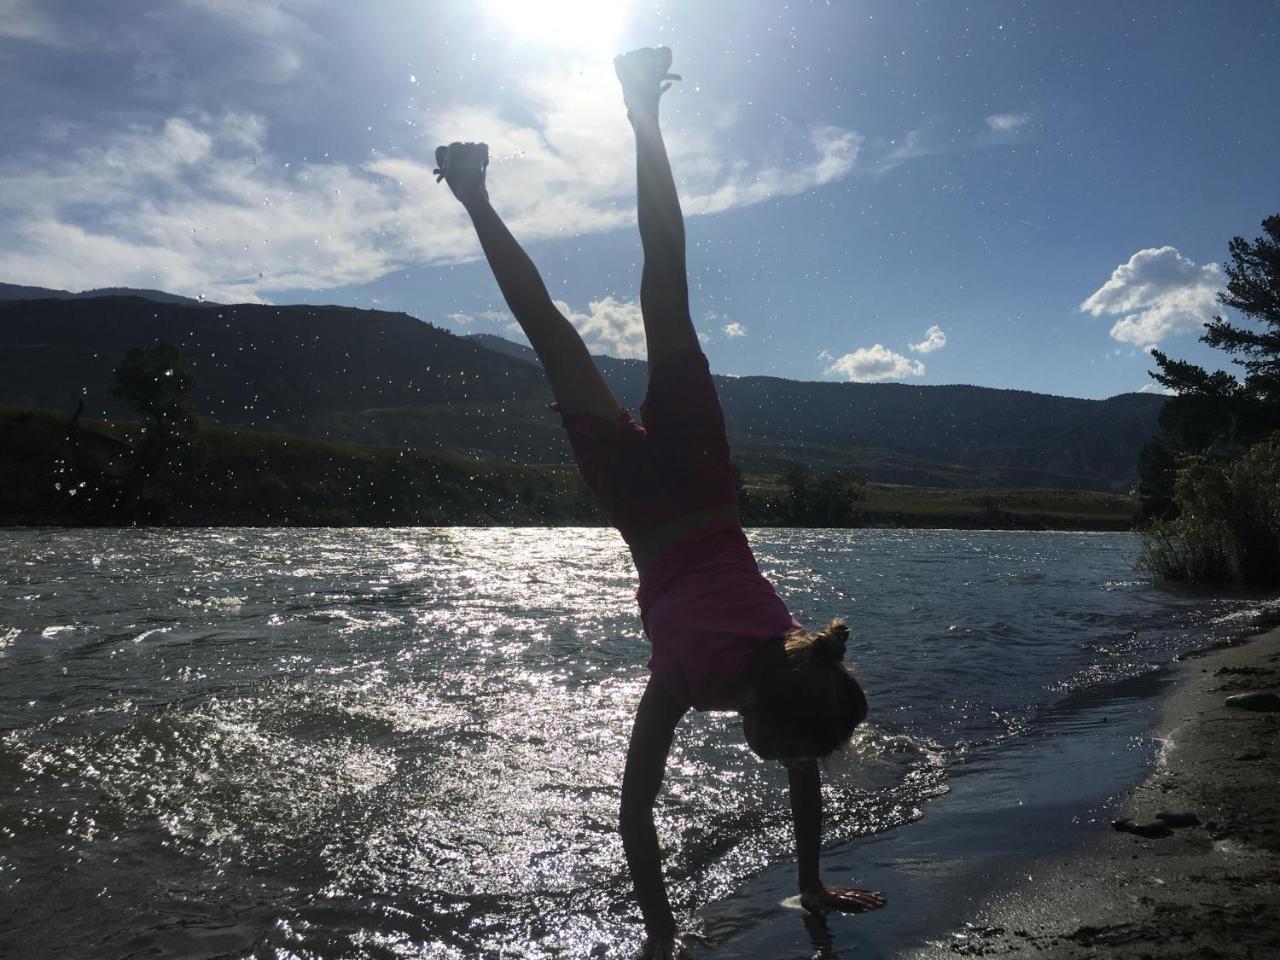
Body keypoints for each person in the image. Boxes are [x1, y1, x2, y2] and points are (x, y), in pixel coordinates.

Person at [435, 46, 885, 960]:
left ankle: (641, 109)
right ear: (763, 719)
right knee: (551, 333)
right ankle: (474, 190)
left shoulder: (800, 655)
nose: (798, 767)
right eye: (792, 750)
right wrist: (660, 941)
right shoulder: (692, 677)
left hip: (705, 481)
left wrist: (802, 887)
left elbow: (792, 760)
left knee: (664, 280)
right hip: (642, 506)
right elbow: (635, 814)